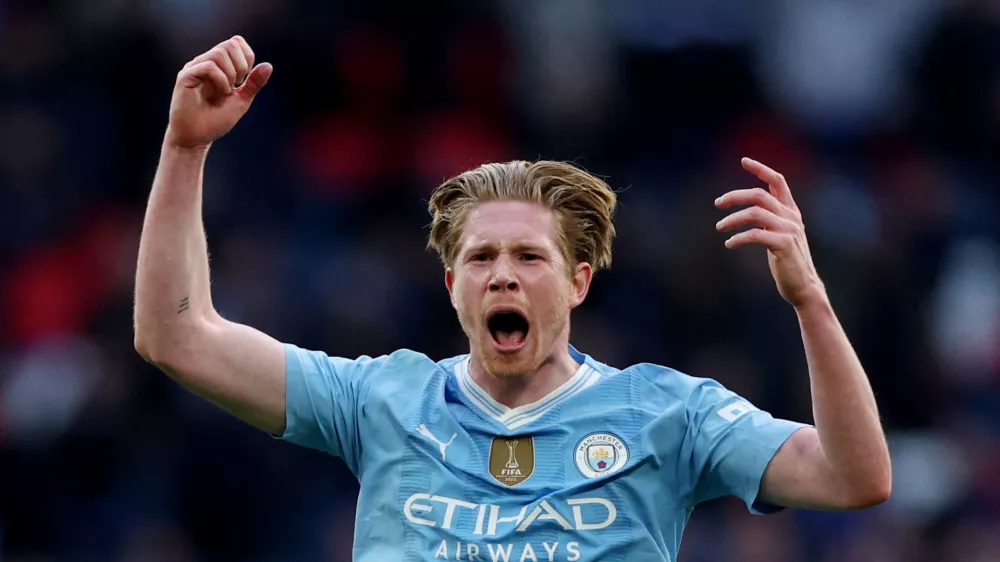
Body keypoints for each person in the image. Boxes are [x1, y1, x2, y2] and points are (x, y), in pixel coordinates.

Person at [133, 36, 891, 561]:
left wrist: (810, 302)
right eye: (481, 257)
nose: (503, 274)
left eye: (530, 256)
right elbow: (178, 337)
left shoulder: (670, 413)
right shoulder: (380, 397)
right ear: (452, 284)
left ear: (578, 281)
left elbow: (853, 478)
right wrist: (184, 147)